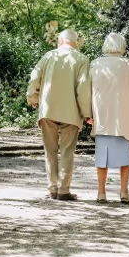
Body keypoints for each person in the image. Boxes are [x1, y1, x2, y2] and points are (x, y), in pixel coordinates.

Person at [27, 29, 92, 201]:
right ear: (75, 43)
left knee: (50, 151)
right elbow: (83, 88)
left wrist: (33, 97)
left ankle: (52, 189)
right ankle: (63, 190)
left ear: (60, 41)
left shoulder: (48, 56)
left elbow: (34, 78)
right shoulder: (82, 59)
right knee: (67, 152)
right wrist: (87, 113)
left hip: (48, 111)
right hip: (71, 112)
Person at [89, 32, 129, 204]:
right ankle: (123, 192)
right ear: (123, 46)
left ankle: (101, 192)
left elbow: (87, 91)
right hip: (124, 118)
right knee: (125, 157)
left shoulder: (95, 64)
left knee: (102, 156)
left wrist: (88, 114)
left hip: (102, 117)